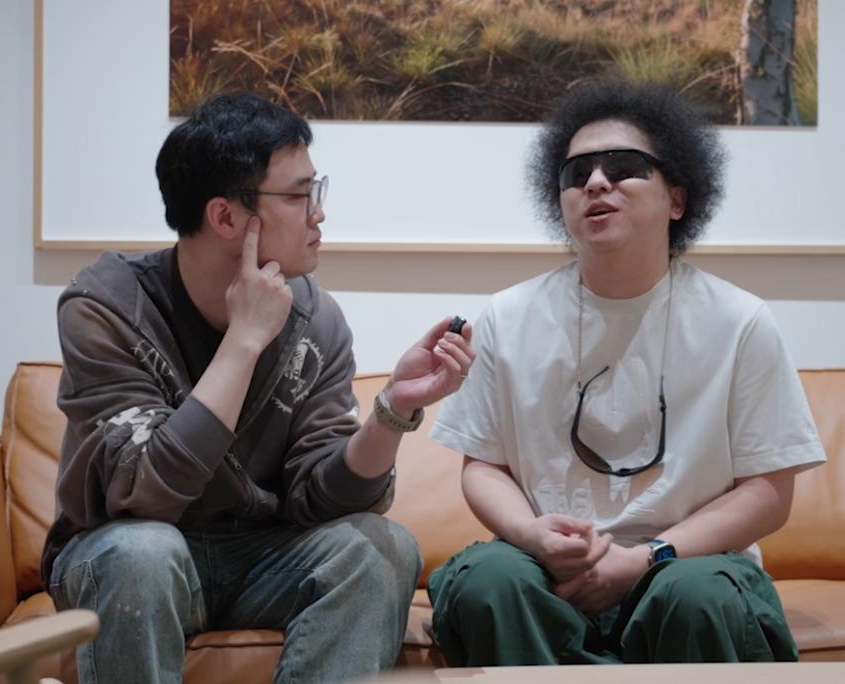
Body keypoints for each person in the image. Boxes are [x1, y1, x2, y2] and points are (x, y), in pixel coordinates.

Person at [41, 91, 474, 684]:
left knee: (382, 546)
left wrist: (392, 412)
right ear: (225, 218)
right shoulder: (106, 307)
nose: (318, 215)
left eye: (316, 192)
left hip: (261, 559)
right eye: (299, 196)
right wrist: (243, 341)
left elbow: (321, 498)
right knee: (144, 553)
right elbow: (144, 496)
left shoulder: (315, 319)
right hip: (122, 554)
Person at [426, 79, 826, 666]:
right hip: (546, 573)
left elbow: (768, 493)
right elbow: (483, 466)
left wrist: (647, 558)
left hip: (683, 566)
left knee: (699, 596)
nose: (595, 182)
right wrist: (533, 536)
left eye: (623, 167)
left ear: (677, 199)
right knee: (489, 579)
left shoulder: (739, 320)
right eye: (576, 173)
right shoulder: (509, 316)